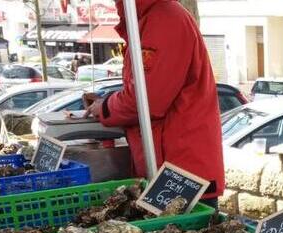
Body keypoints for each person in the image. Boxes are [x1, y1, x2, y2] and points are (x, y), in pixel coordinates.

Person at [84, 0, 224, 208]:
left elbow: (148, 99)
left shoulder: (165, 20)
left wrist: (105, 107)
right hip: (171, 166)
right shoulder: (150, 17)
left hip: (181, 170)